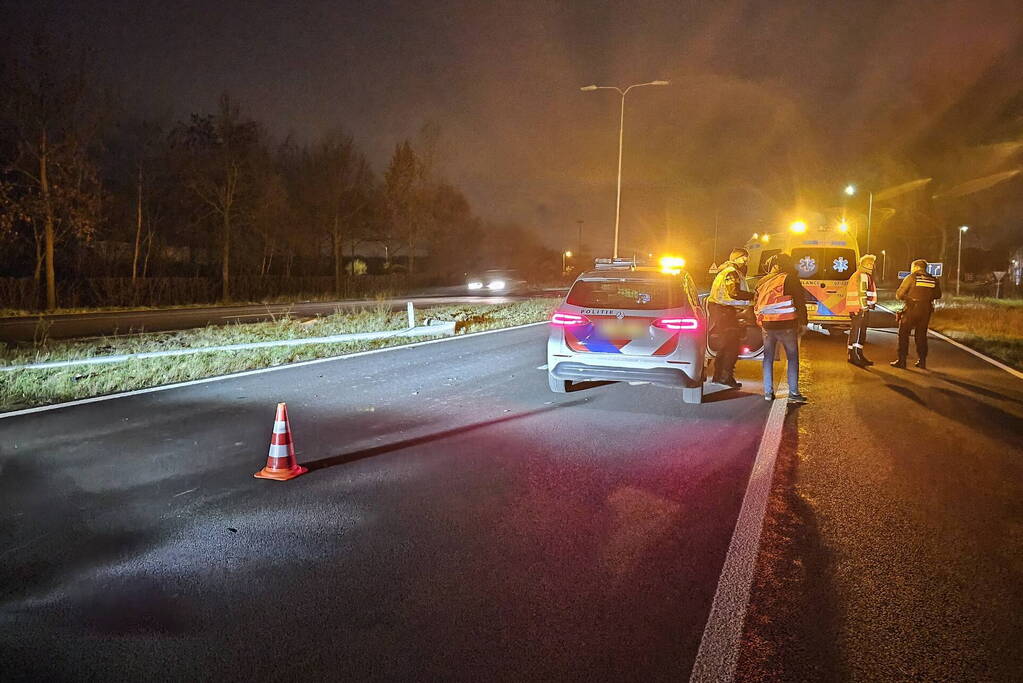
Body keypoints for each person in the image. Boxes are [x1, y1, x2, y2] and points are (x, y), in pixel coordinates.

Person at [754, 253, 809, 404]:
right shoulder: (789, 278)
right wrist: (804, 322)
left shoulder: (763, 281)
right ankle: (793, 392)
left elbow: (756, 303)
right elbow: (799, 301)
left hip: (767, 325)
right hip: (786, 325)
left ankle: (768, 392)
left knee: (768, 358)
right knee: (792, 357)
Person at [707, 247, 753, 388]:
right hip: (724, 312)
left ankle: (718, 376)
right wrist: (754, 296)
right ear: (736, 258)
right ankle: (725, 377)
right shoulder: (731, 273)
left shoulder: (728, 271)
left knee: (725, 345)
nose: (745, 261)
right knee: (731, 347)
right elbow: (734, 293)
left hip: (722, 311)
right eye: (743, 258)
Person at [890, 259, 942, 369]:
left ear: (917, 267)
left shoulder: (912, 277)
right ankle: (922, 361)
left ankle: (902, 360)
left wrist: (909, 299)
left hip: (911, 309)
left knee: (903, 334)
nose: (911, 269)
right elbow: (938, 295)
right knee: (921, 335)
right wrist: (926, 297)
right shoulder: (933, 279)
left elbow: (899, 294)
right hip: (926, 310)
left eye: (912, 267)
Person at [845, 254, 878, 367]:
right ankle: (855, 356)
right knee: (858, 333)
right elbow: (862, 292)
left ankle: (854, 354)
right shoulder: (863, 275)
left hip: (855, 308)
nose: (872, 266)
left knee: (855, 331)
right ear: (864, 264)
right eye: (870, 263)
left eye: (872, 264)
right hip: (860, 309)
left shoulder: (857, 274)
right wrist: (864, 307)